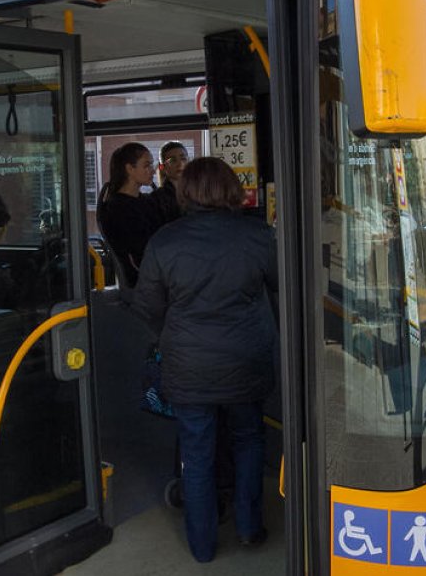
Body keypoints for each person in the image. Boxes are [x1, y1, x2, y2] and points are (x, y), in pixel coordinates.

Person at [132, 157, 277, 563]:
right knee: (249, 441)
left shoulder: (165, 240)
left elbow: (147, 306)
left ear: (186, 192)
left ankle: (202, 546)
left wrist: (173, 337)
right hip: (247, 361)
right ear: (231, 190)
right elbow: (281, 288)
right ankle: (249, 528)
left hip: (188, 367)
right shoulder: (258, 235)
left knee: (196, 454)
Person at [96, 142, 164, 287]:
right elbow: (140, 253)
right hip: (143, 283)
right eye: (147, 165)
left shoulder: (144, 201)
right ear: (129, 169)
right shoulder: (118, 209)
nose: (152, 171)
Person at [151, 141, 188, 223]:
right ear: (162, 167)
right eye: (173, 160)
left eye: (183, 159)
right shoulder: (157, 198)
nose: (180, 164)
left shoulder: (197, 193)